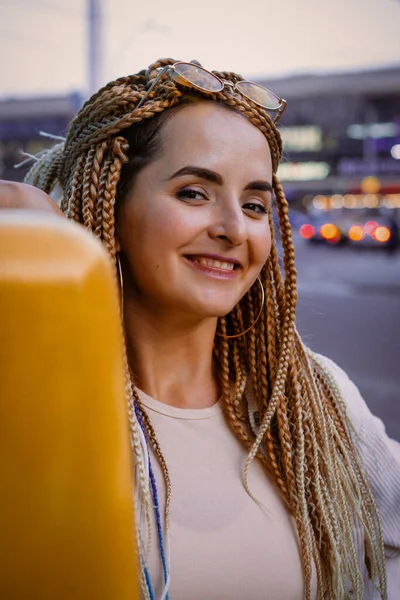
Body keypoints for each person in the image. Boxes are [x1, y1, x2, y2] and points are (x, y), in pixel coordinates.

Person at [1, 59, 399, 600]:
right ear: (112, 203)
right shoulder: (38, 399)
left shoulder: (313, 400)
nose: (234, 229)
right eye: (194, 192)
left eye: (255, 204)